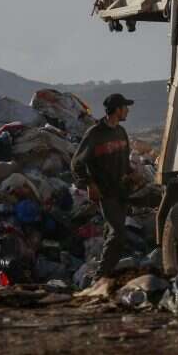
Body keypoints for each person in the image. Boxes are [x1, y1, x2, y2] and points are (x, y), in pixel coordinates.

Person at [70, 93, 137, 282]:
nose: (128, 110)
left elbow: (124, 162)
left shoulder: (121, 132)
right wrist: (89, 184)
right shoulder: (95, 134)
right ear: (117, 109)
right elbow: (77, 163)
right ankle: (100, 276)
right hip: (105, 192)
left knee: (113, 233)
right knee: (118, 233)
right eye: (125, 107)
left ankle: (107, 274)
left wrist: (132, 173)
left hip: (121, 191)